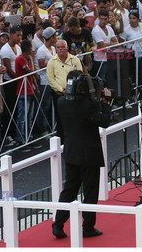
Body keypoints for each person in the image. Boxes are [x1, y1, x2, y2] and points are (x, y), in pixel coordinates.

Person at [52, 70, 112, 239]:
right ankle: (87, 227)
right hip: (89, 155)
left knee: (69, 191)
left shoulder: (61, 102)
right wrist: (105, 102)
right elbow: (104, 121)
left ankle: (58, 225)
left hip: (71, 153)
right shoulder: (89, 105)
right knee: (90, 193)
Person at [46, 40, 83, 141]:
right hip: (59, 95)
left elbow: (80, 74)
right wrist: (61, 89)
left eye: (63, 47)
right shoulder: (51, 61)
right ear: (56, 49)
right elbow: (50, 78)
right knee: (60, 118)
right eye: (58, 47)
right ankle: (61, 142)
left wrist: (73, 89)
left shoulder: (75, 59)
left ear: (67, 48)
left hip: (75, 94)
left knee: (75, 116)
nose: (61, 49)